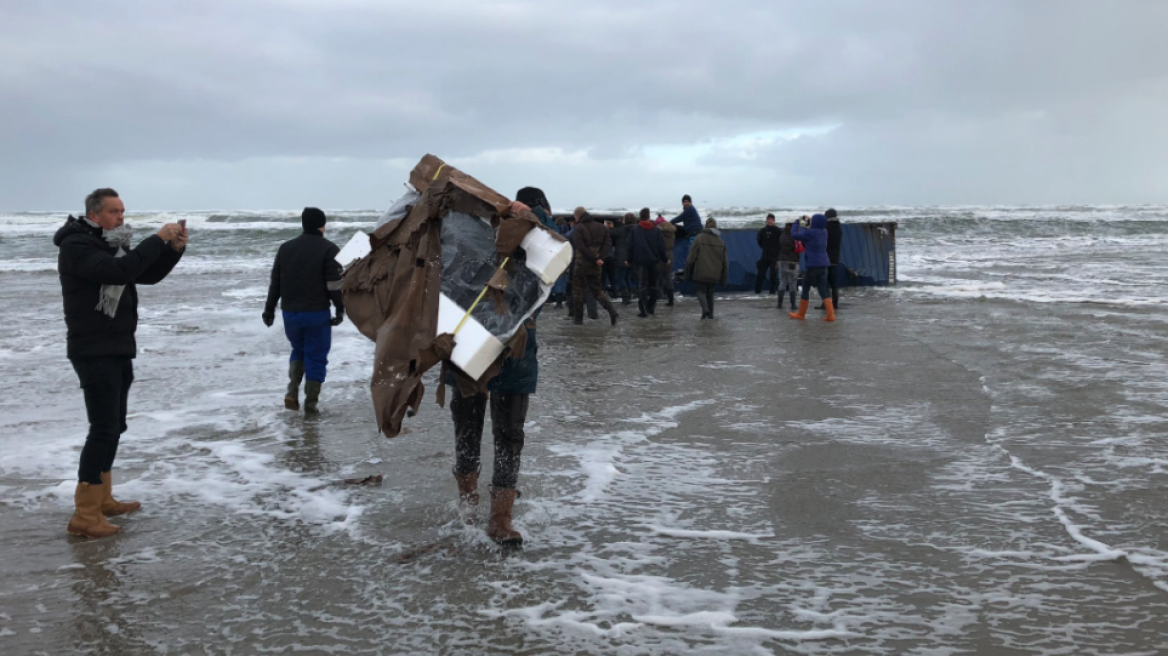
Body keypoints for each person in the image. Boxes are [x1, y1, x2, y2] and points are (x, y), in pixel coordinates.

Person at [54, 188, 186, 539]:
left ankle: (103, 498)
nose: (121, 217)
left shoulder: (111, 244)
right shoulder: (77, 245)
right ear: (94, 215)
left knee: (115, 425)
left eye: (123, 211)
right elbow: (117, 272)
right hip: (92, 348)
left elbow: (144, 274)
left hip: (117, 345)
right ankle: (85, 514)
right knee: (103, 428)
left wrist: (173, 250)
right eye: (114, 212)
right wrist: (157, 239)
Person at [447, 197, 544, 546]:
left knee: (509, 434)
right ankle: (468, 503)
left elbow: (556, 250)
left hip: (516, 352)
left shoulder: (535, 250)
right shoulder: (467, 245)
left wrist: (531, 218)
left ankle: (501, 517)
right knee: (467, 425)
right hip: (468, 347)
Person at [262, 208, 345, 414]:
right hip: (316, 313)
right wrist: (340, 309)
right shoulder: (329, 249)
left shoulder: (285, 248)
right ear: (322, 226)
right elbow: (334, 284)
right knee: (316, 356)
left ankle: (292, 390)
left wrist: (269, 310)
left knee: (298, 350)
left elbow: (275, 282)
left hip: (290, 313)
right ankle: (310, 405)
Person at [568, 207, 619, 326]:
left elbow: (580, 247)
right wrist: (600, 257)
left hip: (582, 263)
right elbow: (608, 243)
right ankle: (612, 311)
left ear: (578, 216)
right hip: (596, 264)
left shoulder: (579, 228)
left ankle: (578, 319)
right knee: (597, 290)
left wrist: (594, 258)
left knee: (578, 290)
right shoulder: (602, 227)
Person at [789, 214, 835, 321]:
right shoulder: (824, 232)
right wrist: (807, 223)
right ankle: (830, 316)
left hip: (813, 265)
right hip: (824, 265)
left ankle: (801, 314)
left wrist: (797, 222)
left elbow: (794, 235)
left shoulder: (810, 233)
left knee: (805, 287)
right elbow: (811, 232)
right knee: (823, 290)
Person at [684, 218, 728, 320]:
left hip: (701, 272)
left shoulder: (699, 238)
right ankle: (710, 315)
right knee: (710, 294)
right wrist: (724, 279)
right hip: (715, 274)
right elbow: (725, 263)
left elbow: (691, 258)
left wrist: (687, 273)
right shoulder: (721, 242)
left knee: (699, 291)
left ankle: (705, 309)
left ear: (706, 226)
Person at [627, 208, 669, 317]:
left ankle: (643, 310)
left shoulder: (635, 230)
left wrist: (629, 260)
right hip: (654, 261)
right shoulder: (656, 230)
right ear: (649, 217)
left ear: (640, 217)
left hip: (640, 261)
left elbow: (630, 246)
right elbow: (661, 247)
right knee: (653, 284)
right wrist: (665, 259)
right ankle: (651, 307)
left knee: (642, 285)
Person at [755, 213, 782, 295]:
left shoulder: (778, 231)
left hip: (775, 256)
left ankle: (772, 292)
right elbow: (759, 242)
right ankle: (757, 291)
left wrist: (778, 258)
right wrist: (765, 248)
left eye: (771, 220)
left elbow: (781, 244)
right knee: (761, 274)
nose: (770, 221)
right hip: (765, 255)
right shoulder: (762, 231)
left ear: (774, 221)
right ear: (766, 221)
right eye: (768, 219)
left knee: (773, 275)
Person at [822, 208, 843, 310]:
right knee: (834, 282)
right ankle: (835, 304)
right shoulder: (839, 228)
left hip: (825, 257)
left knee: (824, 281)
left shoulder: (826, 228)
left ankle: (826, 304)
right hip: (835, 258)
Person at [776, 222, 800, 311]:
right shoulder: (795, 236)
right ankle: (793, 304)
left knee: (782, 281)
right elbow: (799, 247)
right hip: (792, 261)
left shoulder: (782, 236)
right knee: (792, 283)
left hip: (782, 260)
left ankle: (779, 303)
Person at [655, 215, 678, 306]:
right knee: (668, 277)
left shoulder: (658, 233)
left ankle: (657, 297)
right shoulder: (672, 232)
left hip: (660, 255)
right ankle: (671, 299)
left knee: (657, 277)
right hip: (670, 255)